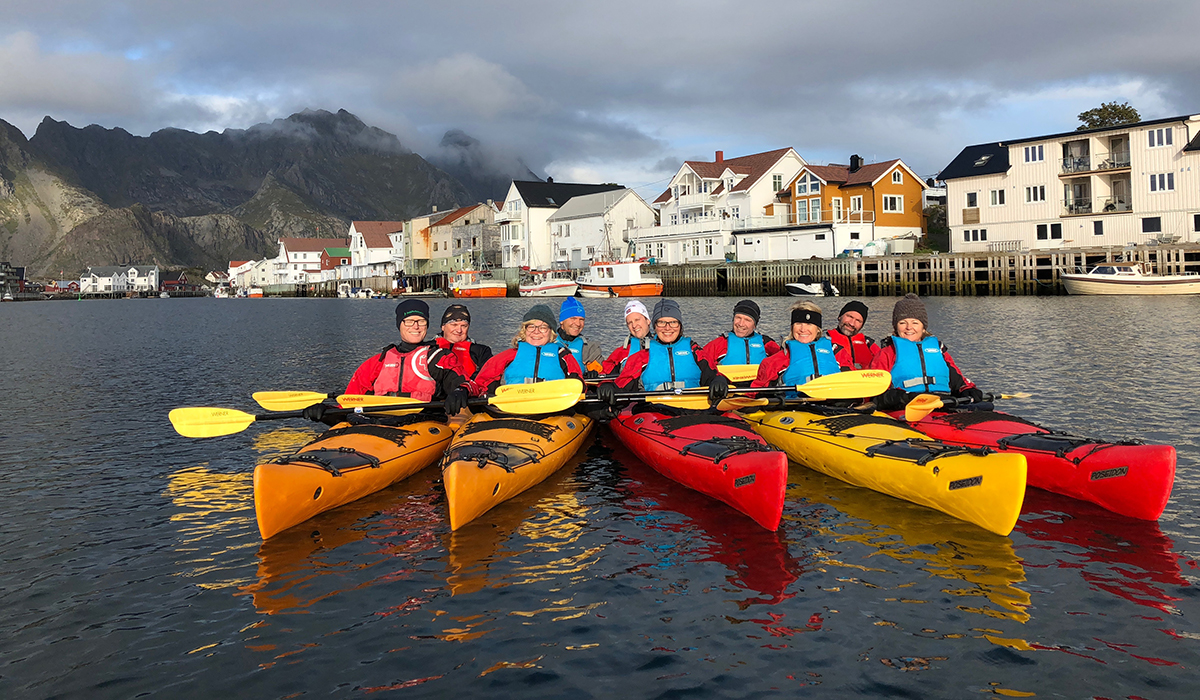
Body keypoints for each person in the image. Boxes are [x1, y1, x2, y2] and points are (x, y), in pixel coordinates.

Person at [305, 299, 472, 423]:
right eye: (409, 321)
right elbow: (349, 401)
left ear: (427, 325)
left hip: (421, 420)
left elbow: (467, 384)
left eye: (421, 321)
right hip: (375, 420)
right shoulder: (378, 362)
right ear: (399, 324)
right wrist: (326, 411)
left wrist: (461, 391)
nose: (415, 326)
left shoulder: (440, 358)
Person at [869, 293, 984, 410]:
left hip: (941, 403)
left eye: (915, 323)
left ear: (923, 327)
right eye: (903, 323)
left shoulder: (938, 350)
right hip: (905, 406)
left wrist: (968, 389)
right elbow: (875, 390)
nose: (909, 328)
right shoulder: (887, 353)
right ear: (896, 327)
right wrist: (900, 397)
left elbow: (958, 379)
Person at [601, 299, 728, 404]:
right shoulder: (642, 355)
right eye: (661, 323)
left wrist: (718, 381)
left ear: (680, 325)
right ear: (655, 326)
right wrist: (610, 387)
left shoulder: (695, 351)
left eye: (673, 322)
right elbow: (624, 383)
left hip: (694, 406)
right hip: (655, 410)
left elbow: (713, 373)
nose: (667, 328)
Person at [471, 304, 585, 394]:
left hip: (553, 407)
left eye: (543, 327)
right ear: (524, 330)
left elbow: (579, 383)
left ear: (551, 332)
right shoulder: (509, 355)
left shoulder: (563, 356)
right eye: (531, 326)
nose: (536, 331)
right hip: (512, 407)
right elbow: (482, 382)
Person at [752, 300, 841, 395]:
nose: (803, 329)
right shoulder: (779, 358)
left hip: (834, 403)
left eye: (809, 324)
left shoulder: (837, 352)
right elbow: (757, 389)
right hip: (795, 404)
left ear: (818, 329)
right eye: (798, 324)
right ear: (792, 328)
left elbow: (855, 378)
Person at [701, 299, 781, 367]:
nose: (741, 324)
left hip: (760, 384)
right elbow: (699, 362)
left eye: (747, 320)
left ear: (755, 325)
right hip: (728, 384)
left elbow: (784, 362)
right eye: (738, 318)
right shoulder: (719, 344)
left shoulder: (767, 343)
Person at [433, 303, 493, 379]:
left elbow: (488, 375)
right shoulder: (429, 348)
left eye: (464, 326)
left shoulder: (481, 351)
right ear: (443, 327)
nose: (459, 330)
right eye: (454, 325)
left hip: (467, 388)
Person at [600, 300, 652, 376]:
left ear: (648, 320)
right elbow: (604, 374)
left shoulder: (662, 346)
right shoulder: (620, 353)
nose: (634, 326)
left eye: (637, 320)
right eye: (630, 323)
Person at [555, 296, 605, 376]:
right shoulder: (548, 342)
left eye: (581, 320)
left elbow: (601, 371)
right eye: (573, 318)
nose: (578, 324)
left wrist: (594, 372)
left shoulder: (589, 348)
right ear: (562, 321)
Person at [825, 300, 879, 370]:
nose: (852, 323)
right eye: (849, 316)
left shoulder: (868, 343)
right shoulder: (825, 340)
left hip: (865, 379)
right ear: (840, 316)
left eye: (858, 321)